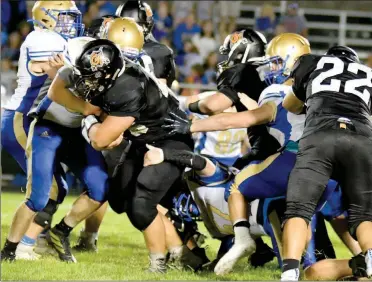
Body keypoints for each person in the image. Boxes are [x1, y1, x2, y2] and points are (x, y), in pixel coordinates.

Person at [47, 38, 197, 272]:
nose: (82, 82)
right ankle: (183, 254)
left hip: (169, 142)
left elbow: (102, 140)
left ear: (106, 75)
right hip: (142, 141)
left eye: (87, 77)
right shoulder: (100, 69)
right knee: (119, 197)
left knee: (142, 203)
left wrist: (87, 118)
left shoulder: (127, 88)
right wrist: (87, 108)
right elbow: (56, 91)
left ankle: (160, 265)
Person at [143, 145, 357, 280]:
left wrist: (164, 153)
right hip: (252, 223)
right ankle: (360, 263)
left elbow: (197, 160)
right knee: (305, 270)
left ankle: (359, 262)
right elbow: (228, 238)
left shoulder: (206, 178)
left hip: (274, 211)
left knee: (305, 269)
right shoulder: (197, 210)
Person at [74, 1, 177, 252]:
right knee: (116, 191)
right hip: (123, 124)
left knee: (140, 195)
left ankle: (179, 249)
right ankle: (88, 237)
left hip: (138, 128)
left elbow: (159, 92)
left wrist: (92, 119)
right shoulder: (151, 50)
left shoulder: (158, 52)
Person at [0, 0, 84, 262]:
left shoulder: (55, 38)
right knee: (45, 190)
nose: (71, 23)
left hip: (34, 118)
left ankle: (28, 242)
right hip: (21, 118)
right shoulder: (42, 38)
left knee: (56, 187)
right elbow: (53, 72)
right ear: (48, 17)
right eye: (65, 17)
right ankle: (13, 249)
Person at [280, 45, 372, 280]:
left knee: (298, 210)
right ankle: (369, 256)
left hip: (320, 136)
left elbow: (289, 105)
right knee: (363, 215)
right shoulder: (368, 73)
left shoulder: (312, 63)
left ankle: (289, 271)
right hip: (361, 138)